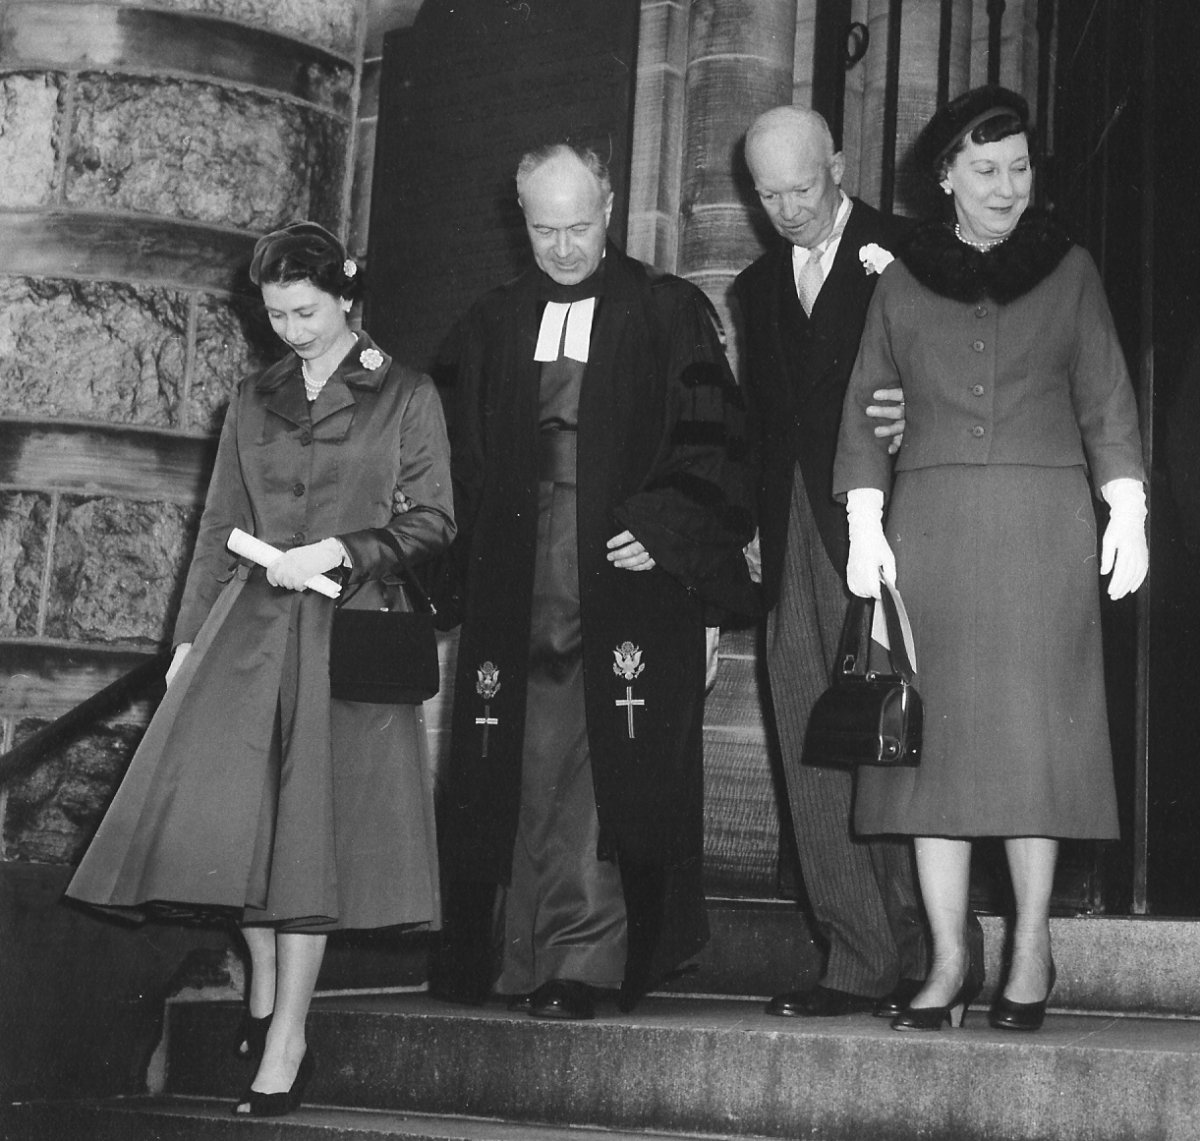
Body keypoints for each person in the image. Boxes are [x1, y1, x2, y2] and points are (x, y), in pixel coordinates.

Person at [67, 222, 455, 1111]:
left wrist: (341, 548)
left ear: (347, 296)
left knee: (309, 841)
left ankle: (288, 1039)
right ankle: (265, 981)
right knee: (237, 827)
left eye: (306, 311)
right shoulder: (253, 395)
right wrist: (186, 643)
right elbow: (218, 525)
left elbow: (435, 518)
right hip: (248, 634)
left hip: (346, 630)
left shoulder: (404, 392)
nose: (291, 329)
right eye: (276, 314)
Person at [833, 85, 1148, 1032]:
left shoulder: (1070, 268)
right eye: (985, 170)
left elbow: (1105, 392)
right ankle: (947, 959)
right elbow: (868, 403)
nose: (1007, 187)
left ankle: (1031, 947)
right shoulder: (902, 280)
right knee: (931, 759)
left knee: (1031, 749)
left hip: (1042, 530)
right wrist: (864, 518)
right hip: (929, 532)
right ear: (946, 177)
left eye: (1019, 168)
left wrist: (1127, 504)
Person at [430, 143, 756, 1021]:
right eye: (546, 230)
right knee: (521, 754)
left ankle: (588, 958)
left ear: (610, 207)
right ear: (522, 220)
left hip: (622, 571)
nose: (566, 246)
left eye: (580, 226)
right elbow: (448, 456)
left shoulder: (667, 310)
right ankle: (512, 954)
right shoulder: (491, 321)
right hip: (515, 574)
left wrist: (666, 530)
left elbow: (716, 444)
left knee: (601, 756)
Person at [734, 105, 929, 1019]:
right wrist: (749, 526)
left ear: (840, 166)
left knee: (900, 737)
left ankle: (930, 949)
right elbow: (758, 424)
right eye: (767, 194)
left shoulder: (913, 251)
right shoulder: (753, 288)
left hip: (892, 526)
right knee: (809, 736)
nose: (787, 210)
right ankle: (855, 955)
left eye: (802, 188)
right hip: (794, 534)